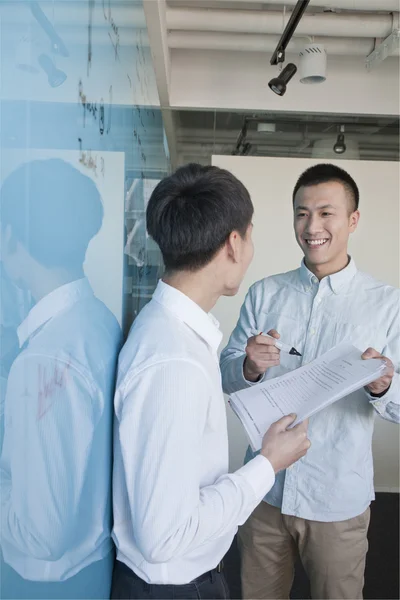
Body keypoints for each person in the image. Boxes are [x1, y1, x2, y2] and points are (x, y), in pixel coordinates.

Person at [111, 163, 311, 600]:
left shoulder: (177, 332)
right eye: (251, 235)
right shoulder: (172, 360)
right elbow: (165, 537)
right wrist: (268, 464)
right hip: (173, 587)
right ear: (234, 243)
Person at [220, 163, 399, 600]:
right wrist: (248, 366)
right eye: (302, 213)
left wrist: (382, 386)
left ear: (353, 220)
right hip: (265, 491)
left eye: (325, 213)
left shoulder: (387, 304)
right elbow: (226, 373)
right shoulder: (265, 293)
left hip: (337, 499)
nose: (312, 226)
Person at [0, 159, 121, 599]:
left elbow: (40, 536)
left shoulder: (45, 357)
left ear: (10, 235)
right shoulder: (98, 319)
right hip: (91, 568)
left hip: (45, 584)